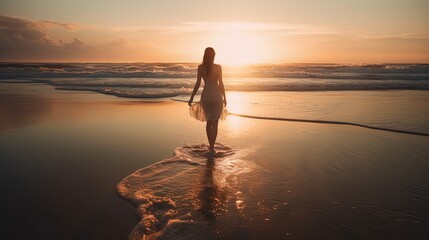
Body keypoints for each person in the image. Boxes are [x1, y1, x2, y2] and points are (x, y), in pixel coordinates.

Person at [188, 47, 227, 153]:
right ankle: (212, 147)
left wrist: (191, 97)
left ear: (204, 55)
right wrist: (225, 97)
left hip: (206, 96)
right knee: (215, 123)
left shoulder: (201, 67)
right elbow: (221, 84)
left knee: (208, 122)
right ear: (213, 55)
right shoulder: (218, 67)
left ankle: (210, 145)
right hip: (216, 96)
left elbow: (197, 84)